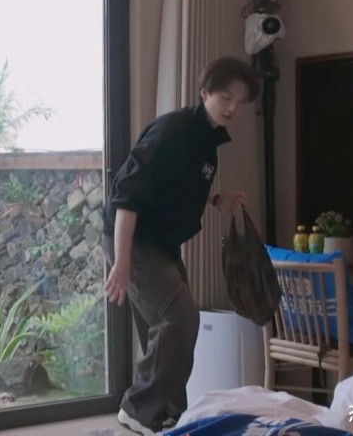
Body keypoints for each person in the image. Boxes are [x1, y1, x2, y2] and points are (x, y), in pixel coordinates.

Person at [102, 56, 261, 435]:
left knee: (163, 327)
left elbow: (179, 187)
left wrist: (216, 199)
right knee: (180, 317)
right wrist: (122, 263)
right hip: (137, 240)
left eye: (240, 101)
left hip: (163, 243)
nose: (232, 107)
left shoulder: (207, 140)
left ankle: (165, 414)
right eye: (226, 97)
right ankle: (140, 409)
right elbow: (127, 196)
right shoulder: (172, 131)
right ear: (205, 92)